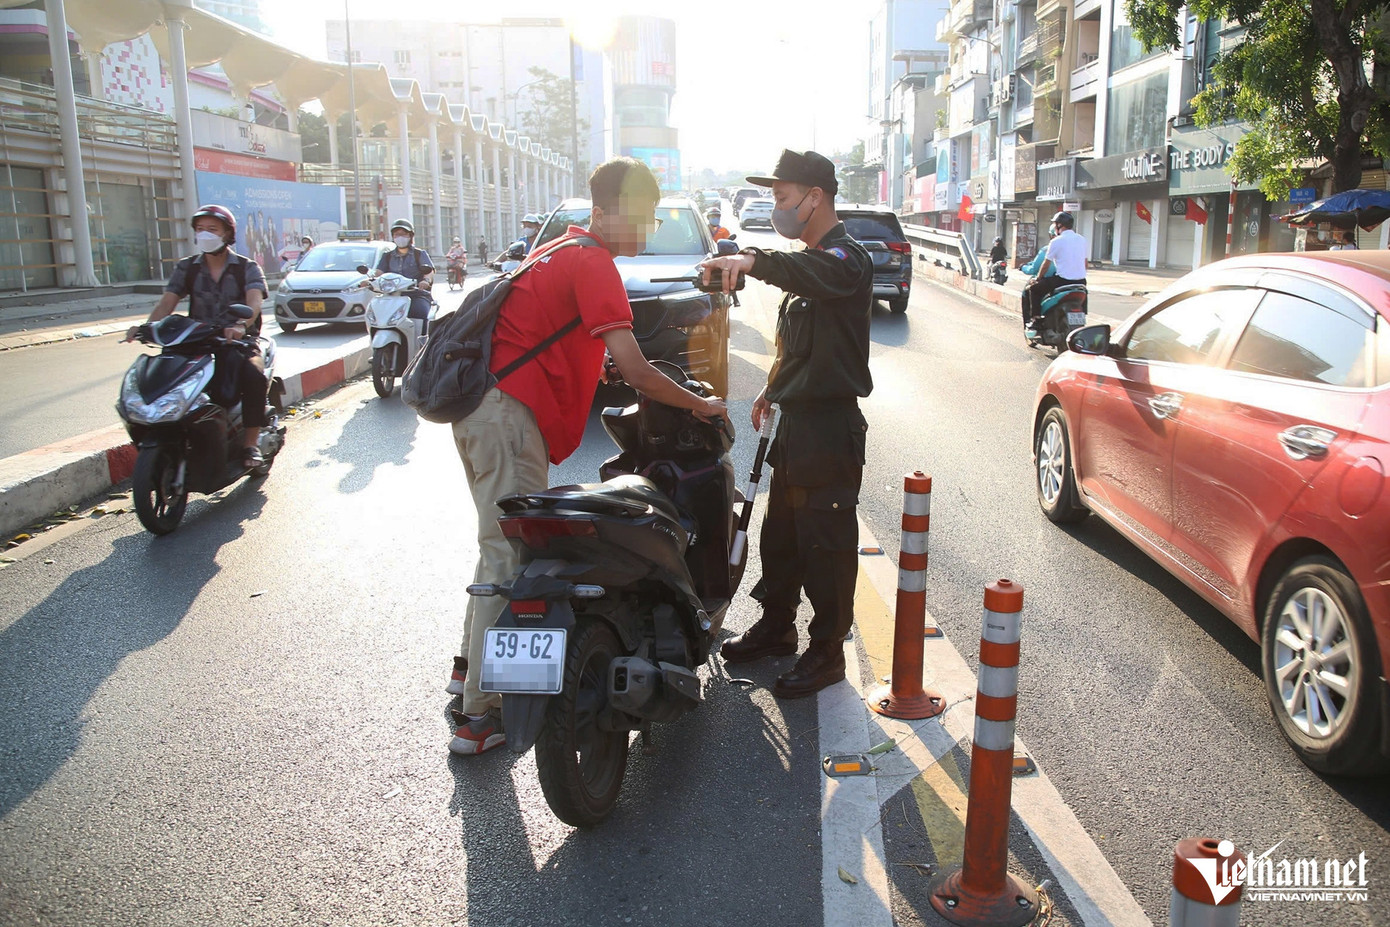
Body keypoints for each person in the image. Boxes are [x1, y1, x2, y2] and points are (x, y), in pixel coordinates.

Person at [446, 156, 728, 755]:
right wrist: (700, 406)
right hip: (508, 415)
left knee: (498, 544)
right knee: (514, 556)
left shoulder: (554, 251)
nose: (648, 229)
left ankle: (467, 670)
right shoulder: (593, 260)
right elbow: (636, 369)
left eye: (653, 217)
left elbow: (556, 337)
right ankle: (481, 714)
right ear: (603, 212)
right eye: (642, 216)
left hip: (486, 410)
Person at [696, 148, 873, 700]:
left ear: (813, 197)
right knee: (782, 537)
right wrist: (773, 386)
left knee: (827, 544)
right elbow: (796, 341)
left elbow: (814, 275)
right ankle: (777, 627)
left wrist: (753, 260)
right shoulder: (812, 262)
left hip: (830, 426)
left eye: (780, 196)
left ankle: (826, 651)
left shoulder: (846, 259)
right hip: (795, 424)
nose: (775, 206)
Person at [125, 204, 270, 470]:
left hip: (238, 342)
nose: (205, 234)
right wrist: (147, 327)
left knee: (253, 376)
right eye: (200, 229)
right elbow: (166, 303)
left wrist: (240, 324)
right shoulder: (187, 267)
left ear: (227, 234)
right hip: (195, 342)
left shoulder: (246, 268)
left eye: (212, 229)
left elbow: (255, 302)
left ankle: (251, 443)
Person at [1022, 211, 1087, 334]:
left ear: (1059, 226)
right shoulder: (1082, 240)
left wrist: (1038, 278)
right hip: (1081, 281)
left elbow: (1046, 264)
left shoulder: (1056, 241)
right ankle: (1083, 314)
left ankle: (1035, 319)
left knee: (1034, 289)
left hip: (1063, 281)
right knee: (1083, 291)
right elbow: (1085, 263)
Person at [374, 218, 434, 335]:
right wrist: (370, 281)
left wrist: (425, 280)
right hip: (391, 296)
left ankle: (423, 345)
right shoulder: (387, 256)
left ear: (410, 236)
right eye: (397, 234)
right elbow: (378, 273)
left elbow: (429, 271)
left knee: (422, 313)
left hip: (416, 295)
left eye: (403, 234)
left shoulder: (419, 254)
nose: (400, 237)